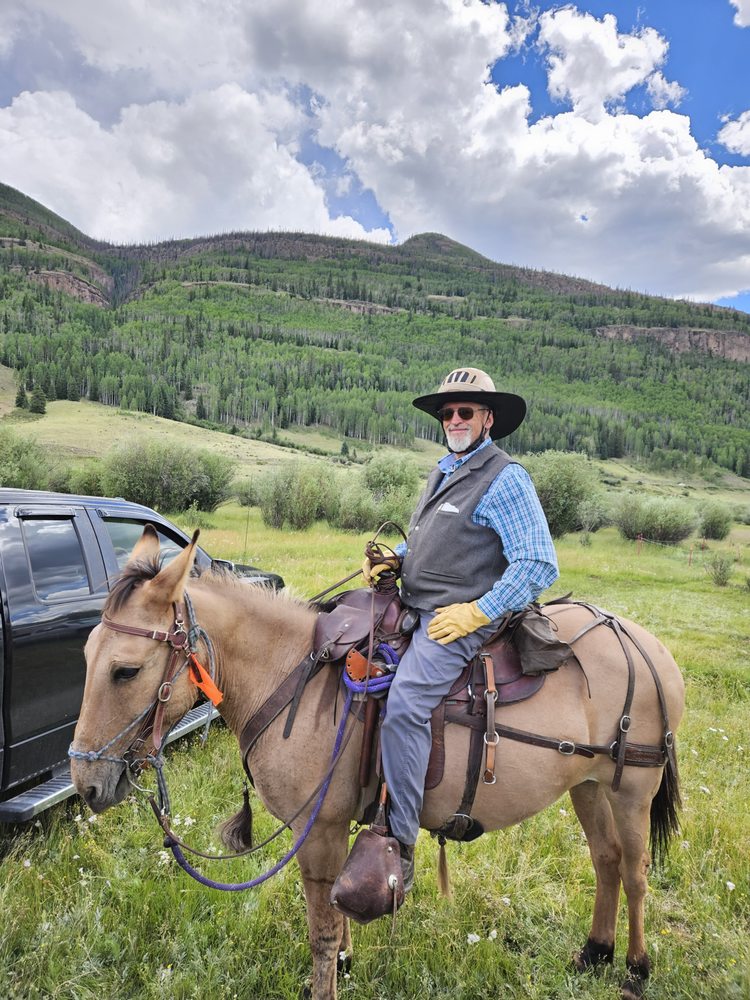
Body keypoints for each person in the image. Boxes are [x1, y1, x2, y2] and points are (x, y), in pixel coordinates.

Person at [362, 367, 558, 891]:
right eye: (447, 412)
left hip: (457, 619)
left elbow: (538, 563)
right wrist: (397, 558)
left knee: (405, 705)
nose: (453, 419)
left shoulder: (505, 477)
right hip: (416, 604)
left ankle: (400, 842)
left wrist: (479, 611)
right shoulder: (445, 469)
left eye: (465, 411)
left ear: (487, 419)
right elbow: (433, 540)